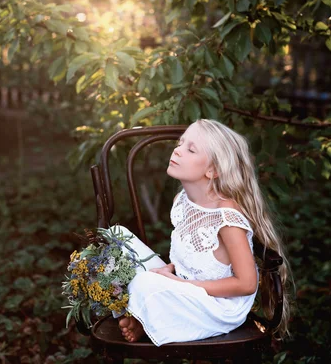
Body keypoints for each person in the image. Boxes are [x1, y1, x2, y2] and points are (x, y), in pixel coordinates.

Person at [117, 119, 291, 345]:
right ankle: (149, 318)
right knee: (118, 240)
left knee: (144, 283)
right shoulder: (182, 201)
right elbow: (191, 258)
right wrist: (170, 270)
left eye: (190, 149)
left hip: (217, 307)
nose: (177, 151)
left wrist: (181, 285)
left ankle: (145, 319)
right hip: (187, 289)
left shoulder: (226, 216)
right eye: (180, 144)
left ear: (213, 170)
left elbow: (247, 284)